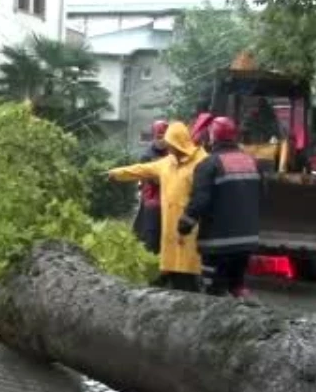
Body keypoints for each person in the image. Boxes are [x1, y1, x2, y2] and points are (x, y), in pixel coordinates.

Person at [108, 121, 209, 291]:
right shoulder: (167, 162)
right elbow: (141, 169)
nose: (168, 149)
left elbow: (205, 195)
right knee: (173, 272)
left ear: (179, 143)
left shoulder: (202, 162)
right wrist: (117, 174)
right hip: (170, 228)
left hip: (190, 228)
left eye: (170, 145)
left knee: (190, 275)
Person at [177, 116, 262, 299]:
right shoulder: (252, 162)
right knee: (237, 285)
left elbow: (200, 200)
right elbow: (263, 196)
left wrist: (184, 224)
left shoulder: (209, 165)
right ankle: (249, 317)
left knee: (214, 291)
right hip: (247, 241)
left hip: (217, 244)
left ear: (212, 137)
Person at [131, 120, 169, 253]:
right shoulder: (147, 155)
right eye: (159, 137)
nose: (162, 140)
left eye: (164, 136)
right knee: (151, 237)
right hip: (151, 200)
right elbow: (148, 180)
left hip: (168, 200)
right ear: (154, 136)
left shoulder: (172, 153)